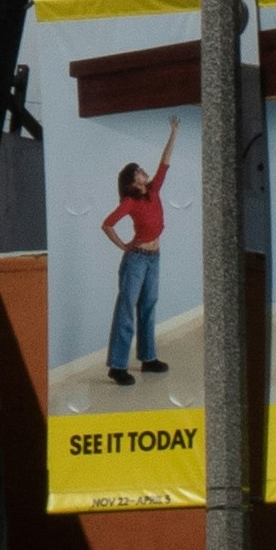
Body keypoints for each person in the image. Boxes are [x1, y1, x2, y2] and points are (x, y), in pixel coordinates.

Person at [105, 121, 176, 380]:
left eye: (142, 170)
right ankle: (117, 366)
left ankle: (148, 359)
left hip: (154, 258)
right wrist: (124, 245)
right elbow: (108, 224)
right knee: (126, 307)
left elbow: (164, 162)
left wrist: (173, 133)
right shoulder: (129, 202)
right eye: (139, 172)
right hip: (136, 260)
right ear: (132, 183)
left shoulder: (153, 190)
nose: (144, 172)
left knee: (148, 305)